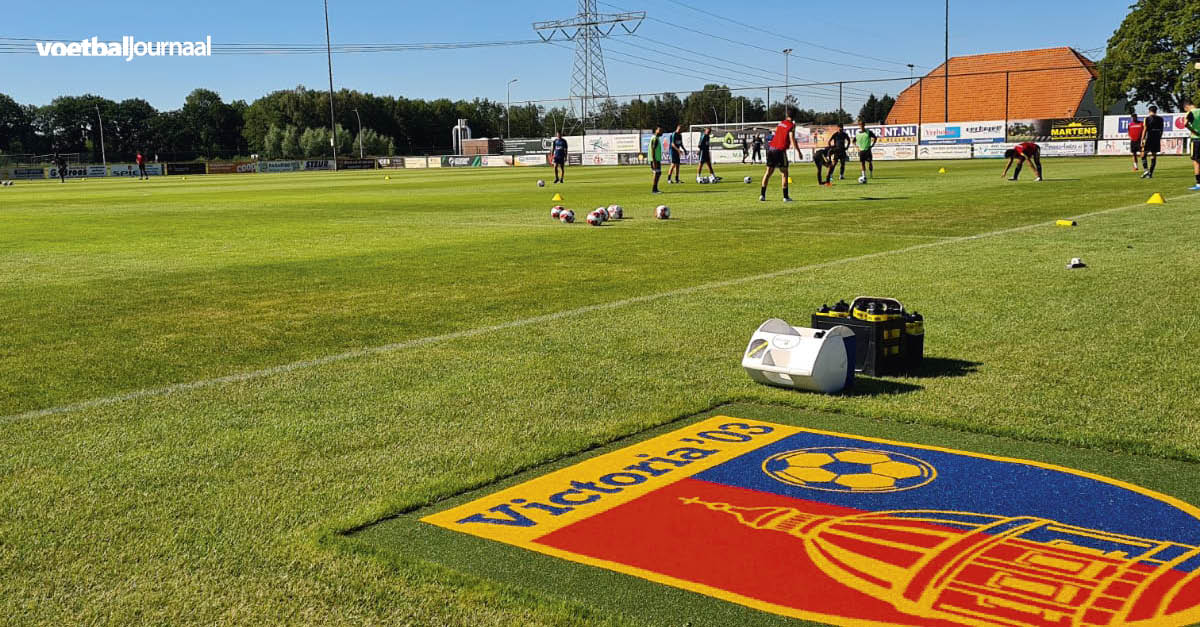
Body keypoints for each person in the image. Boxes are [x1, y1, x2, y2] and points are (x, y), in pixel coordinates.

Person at [760, 107, 798, 202]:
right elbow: (792, 138)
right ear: (795, 116)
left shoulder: (781, 123)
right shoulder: (791, 125)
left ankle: (762, 195)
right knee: (784, 173)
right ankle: (785, 197)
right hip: (780, 151)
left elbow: (777, 131)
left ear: (787, 115)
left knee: (768, 173)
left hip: (771, 149)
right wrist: (798, 151)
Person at [1141, 105, 1164, 179]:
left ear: (1149, 111)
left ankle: (1146, 170)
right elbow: (1161, 130)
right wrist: (1159, 138)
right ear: (1156, 111)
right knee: (1153, 155)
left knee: (1143, 154)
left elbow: (1145, 129)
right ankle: (1150, 173)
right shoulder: (1160, 119)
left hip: (1149, 137)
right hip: (1156, 138)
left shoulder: (1147, 118)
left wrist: (1142, 139)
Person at [1186, 101, 1200, 191]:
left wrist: (1193, 131)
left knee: (1196, 161)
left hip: (1196, 139)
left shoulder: (1190, 113)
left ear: (1186, 106)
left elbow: (1185, 124)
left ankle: (1198, 184)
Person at [649, 126, 664, 194]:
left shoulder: (655, 138)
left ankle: (655, 188)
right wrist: (654, 160)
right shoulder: (655, 139)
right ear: (656, 131)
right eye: (660, 130)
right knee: (657, 173)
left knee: (658, 173)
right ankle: (654, 189)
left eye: (662, 131)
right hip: (655, 159)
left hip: (655, 159)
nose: (661, 132)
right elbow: (653, 149)